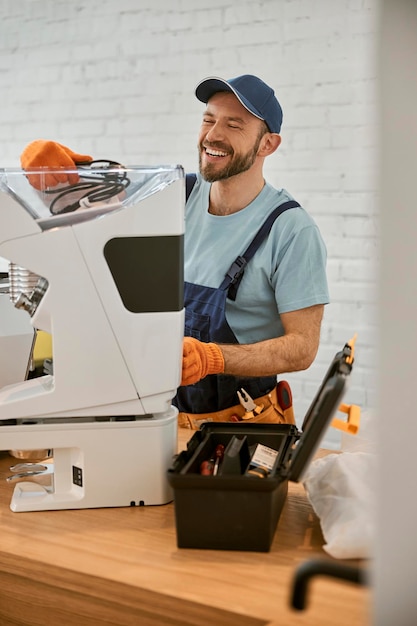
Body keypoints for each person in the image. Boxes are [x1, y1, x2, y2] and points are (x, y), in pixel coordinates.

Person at [20, 74, 329, 429]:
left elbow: (303, 347)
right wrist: (48, 164)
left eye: (234, 125)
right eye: (208, 119)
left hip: (242, 425)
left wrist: (214, 357)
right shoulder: (174, 196)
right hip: (165, 419)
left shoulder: (291, 230)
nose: (213, 135)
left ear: (267, 145)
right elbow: (84, 196)